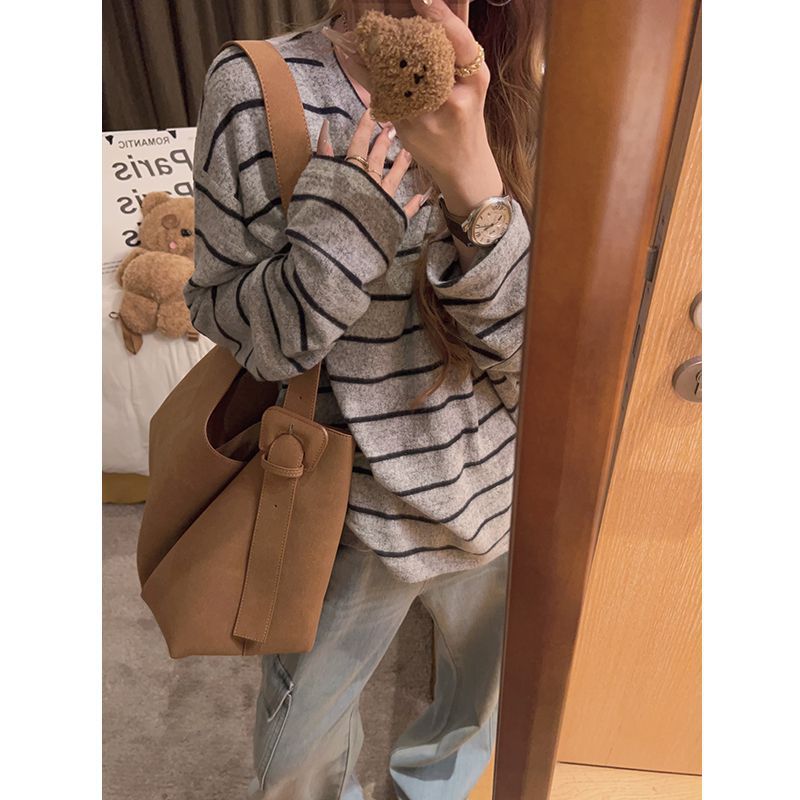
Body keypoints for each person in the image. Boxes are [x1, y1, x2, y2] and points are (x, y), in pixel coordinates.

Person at [184, 0, 544, 796]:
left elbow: (545, 357)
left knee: (474, 714)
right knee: (297, 760)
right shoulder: (259, 86)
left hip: (504, 486)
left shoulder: (520, 78)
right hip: (339, 508)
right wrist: (339, 234)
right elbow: (231, 323)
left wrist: (475, 185)